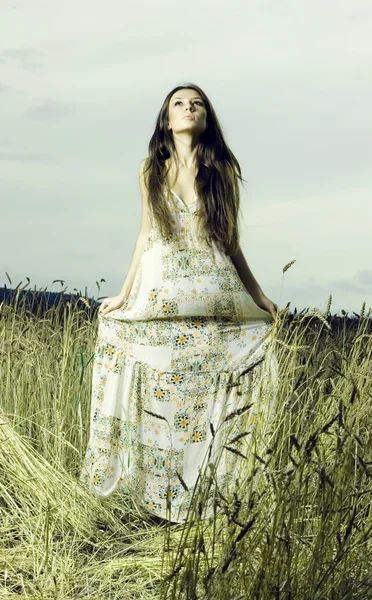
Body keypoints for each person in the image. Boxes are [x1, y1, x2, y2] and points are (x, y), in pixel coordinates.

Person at [79, 83, 279, 523]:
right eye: (179, 104)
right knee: (162, 402)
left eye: (197, 103)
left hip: (213, 297)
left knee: (203, 404)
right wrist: (124, 293)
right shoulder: (149, 169)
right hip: (161, 296)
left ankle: (207, 502)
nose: (189, 108)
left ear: (206, 118)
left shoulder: (221, 171)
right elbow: (145, 234)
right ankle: (159, 505)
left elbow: (230, 241)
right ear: (167, 120)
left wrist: (258, 295)